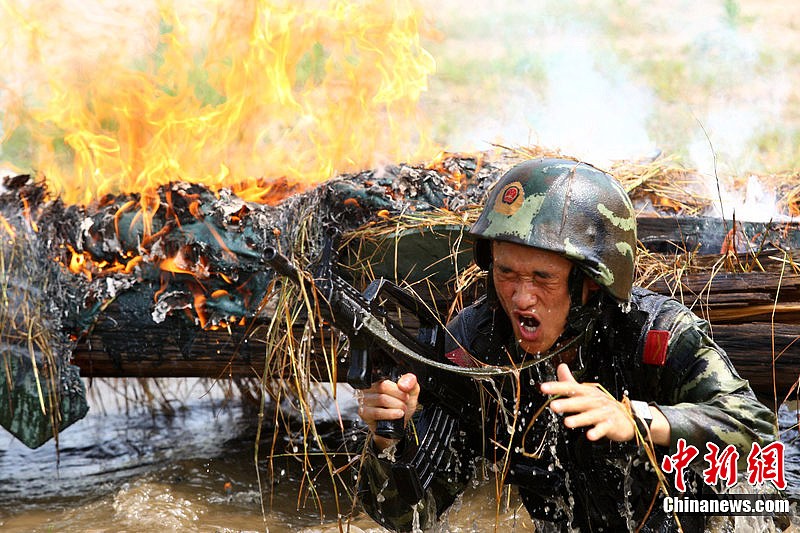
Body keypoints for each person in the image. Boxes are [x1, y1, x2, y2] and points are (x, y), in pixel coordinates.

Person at [355, 157, 778, 532]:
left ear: (590, 283)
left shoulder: (658, 337)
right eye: (506, 273)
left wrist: (636, 419)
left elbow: (759, 436)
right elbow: (408, 517)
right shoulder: (478, 345)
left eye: (543, 278)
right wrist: (391, 441)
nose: (521, 298)